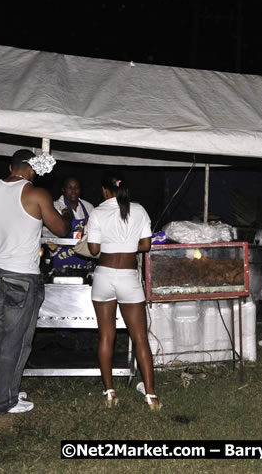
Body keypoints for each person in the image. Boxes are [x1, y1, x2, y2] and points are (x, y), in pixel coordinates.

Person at [0, 149, 71, 414]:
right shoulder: (35, 194)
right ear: (32, 168)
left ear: (10, 166)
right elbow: (61, 229)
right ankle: (2, 402)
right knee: (16, 342)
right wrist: (64, 214)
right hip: (21, 277)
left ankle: (8, 389)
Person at [86, 172, 160, 410]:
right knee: (140, 338)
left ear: (106, 191)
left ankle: (109, 393)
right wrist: (126, 245)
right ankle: (150, 396)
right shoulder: (139, 210)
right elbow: (146, 245)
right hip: (129, 277)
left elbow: (94, 248)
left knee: (106, 336)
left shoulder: (97, 212)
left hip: (104, 276)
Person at [48, 176, 95, 271]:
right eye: (69, 187)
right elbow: (49, 236)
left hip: (85, 261)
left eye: (76, 187)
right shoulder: (55, 207)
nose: (73, 191)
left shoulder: (89, 207)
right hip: (63, 261)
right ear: (63, 189)